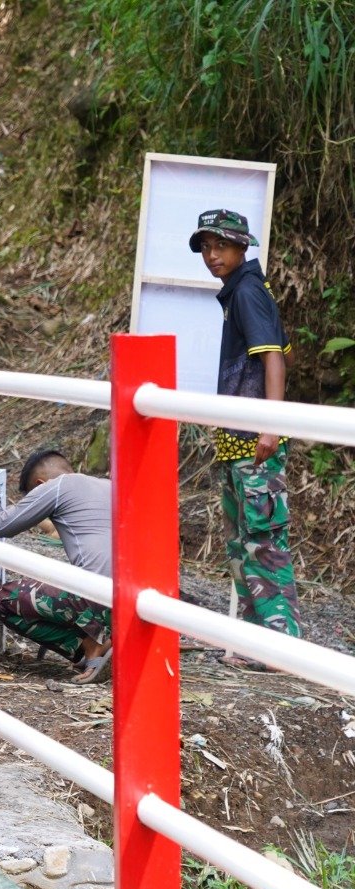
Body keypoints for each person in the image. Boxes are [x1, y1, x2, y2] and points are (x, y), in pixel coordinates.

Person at [191, 208, 302, 658]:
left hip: (255, 442)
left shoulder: (248, 292)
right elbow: (286, 355)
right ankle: (260, 644)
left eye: (221, 246)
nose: (212, 255)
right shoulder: (242, 291)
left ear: (243, 247)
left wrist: (269, 427)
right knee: (242, 543)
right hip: (239, 441)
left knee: (263, 542)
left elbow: (274, 358)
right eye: (205, 248)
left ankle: (282, 647)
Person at [0, 452, 113, 684]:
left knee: (7, 598)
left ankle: (93, 647)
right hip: (138, 601)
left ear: (40, 485)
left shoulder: (57, 486)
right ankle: (108, 640)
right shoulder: (109, 485)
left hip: (101, 596)